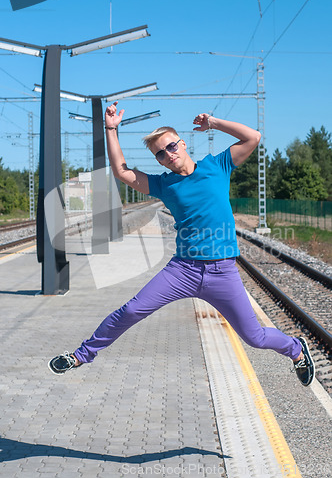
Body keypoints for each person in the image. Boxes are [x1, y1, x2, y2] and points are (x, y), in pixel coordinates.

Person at [49, 102, 315, 387]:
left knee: (255, 337)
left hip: (222, 273)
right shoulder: (165, 184)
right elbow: (122, 172)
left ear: (183, 144)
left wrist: (213, 122)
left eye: (171, 147)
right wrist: (111, 129)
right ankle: (81, 355)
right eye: (160, 154)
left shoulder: (217, 165)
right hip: (183, 270)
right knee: (131, 310)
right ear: (160, 161)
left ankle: (296, 350)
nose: (168, 155)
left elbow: (253, 137)